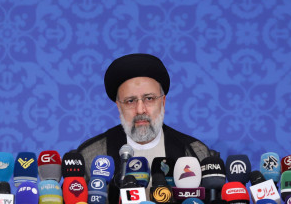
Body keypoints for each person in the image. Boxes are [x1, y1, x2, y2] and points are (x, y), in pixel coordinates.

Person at [77, 53, 210, 172]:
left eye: (149, 99)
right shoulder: (91, 156)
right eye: (130, 101)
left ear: (163, 102)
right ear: (119, 106)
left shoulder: (195, 152)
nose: (140, 110)